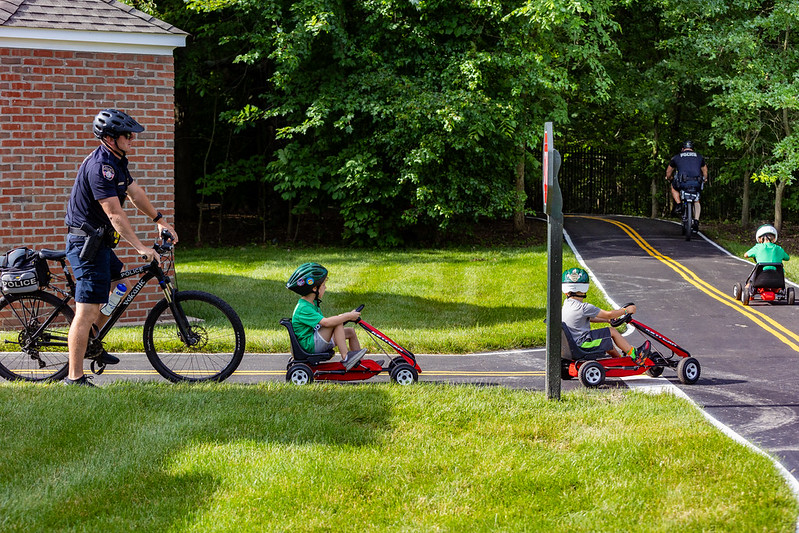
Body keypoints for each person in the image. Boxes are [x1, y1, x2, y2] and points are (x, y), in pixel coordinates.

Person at [63, 109, 178, 386]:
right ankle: (74, 377)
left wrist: (159, 220)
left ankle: (93, 341)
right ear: (111, 138)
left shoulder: (117, 162)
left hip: (100, 243)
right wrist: (140, 246)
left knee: (119, 285)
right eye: (127, 135)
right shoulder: (100, 166)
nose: (132, 139)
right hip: (85, 245)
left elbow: (135, 193)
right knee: (86, 309)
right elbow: (114, 213)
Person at [561, 267, 650, 365]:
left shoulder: (567, 304)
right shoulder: (584, 307)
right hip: (583, 344)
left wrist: (607, 321)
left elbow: (589, 318)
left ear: (565, 290)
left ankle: (620, 361)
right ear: (584, 289)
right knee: (611, 331)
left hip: (573, 344)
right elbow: (609, 314)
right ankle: (636, 355)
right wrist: (626, 310)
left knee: (607, 342)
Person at [286, 262, 367, 370]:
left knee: (350, 332)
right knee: (336, 323)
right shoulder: (303, 308)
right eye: (323, 285)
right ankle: (346, 358)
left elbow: (326, 324)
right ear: (314, 288)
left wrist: (348, 315)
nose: (325, 287)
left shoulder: (312, 303)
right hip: (309, 346)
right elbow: (327, 323)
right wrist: (347, 316)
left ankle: (358, 364)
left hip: (315, 340)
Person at [665, 140, 709, 230]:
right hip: (696, 182)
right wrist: (705, 179)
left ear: (682, 148)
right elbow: (705, 170)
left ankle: (678, 205)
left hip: (682, 183)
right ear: (692, 149)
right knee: (697, 199)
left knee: (673, 187)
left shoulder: (676, 157)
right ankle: (696, 220)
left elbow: (668, 171)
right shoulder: (699, 157)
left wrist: (669, 178)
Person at [744, 224, 790, 291]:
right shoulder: (779, 249)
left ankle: (747, 288)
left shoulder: (757, 247)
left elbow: (745, 255)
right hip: (777, 279)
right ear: (774, 239)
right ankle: (778, 289)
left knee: (756, 269)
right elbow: (787, 258)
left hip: (761, 278)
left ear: (760, 239)